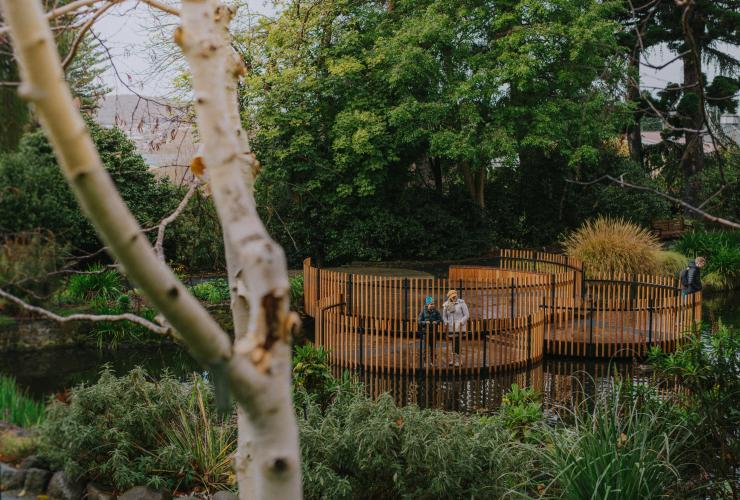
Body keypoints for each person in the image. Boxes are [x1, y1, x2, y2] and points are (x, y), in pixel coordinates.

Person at [442, 289, 469, 366]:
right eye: (452, 297)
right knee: (453, 343)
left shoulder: (461, 303)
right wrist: (446, 322)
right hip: (450, 327)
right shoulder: (446, 304)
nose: (454, 297)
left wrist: (461, 322)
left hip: (459, 326)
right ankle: (453, 360)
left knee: (457, 343)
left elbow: (466, 315)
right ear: (449, 297)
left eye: (455, 296)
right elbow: (444, 316)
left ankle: (459, 361)